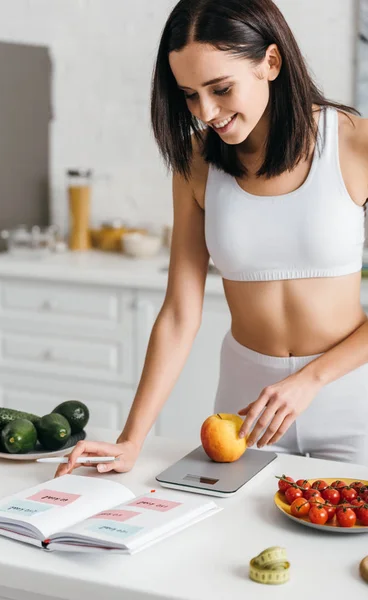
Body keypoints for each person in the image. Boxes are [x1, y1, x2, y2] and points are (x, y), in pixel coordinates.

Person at [56, 0, 368, 478]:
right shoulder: (196, 164)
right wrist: (130, 440)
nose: (207, 113)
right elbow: (180, 313)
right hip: (243, 415)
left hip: (349, 401)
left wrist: (310, 380)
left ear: (270, 62)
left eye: (221, 89)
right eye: (189, 95)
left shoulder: (354, 143)